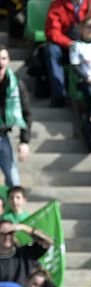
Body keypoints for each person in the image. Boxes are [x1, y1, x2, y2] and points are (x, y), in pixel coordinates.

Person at [0, 47, 32, 188]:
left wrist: (24, 141)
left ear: (8, 61)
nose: (0, 62)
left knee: (14, 181)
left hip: (2, 135)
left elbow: (27, 114)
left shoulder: (16, 85)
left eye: (3, 58)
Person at [0, 220, 53, 287]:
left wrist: (23, 227)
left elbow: (47, 242)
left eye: (11, 232)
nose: (7, 236)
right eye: (3, 233)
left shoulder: (27, 253)